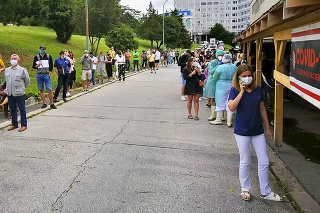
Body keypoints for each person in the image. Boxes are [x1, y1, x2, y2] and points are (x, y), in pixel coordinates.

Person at [228, 64, 284, 202]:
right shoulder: (234, 90)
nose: (247, 78)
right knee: (245, 161)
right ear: (239, 77)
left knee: (264, 161)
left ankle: (265, 191)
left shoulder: (258, 90)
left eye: (249, 75)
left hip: (257, 130)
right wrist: (241, 92)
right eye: (244, 76)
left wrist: (268, 128)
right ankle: (245, 189)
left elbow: (262, 109)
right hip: (242, 131)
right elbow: (231, 107)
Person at [5, 54, 30, 132]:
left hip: (19, 93)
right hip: (10, 93)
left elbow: (27, 81)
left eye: (15, 58)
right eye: (12, 58)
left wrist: (22, 88)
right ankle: (14, 124)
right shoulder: (7, 70)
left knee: (22, 109)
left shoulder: (22, 70)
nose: (13, 59)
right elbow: (7, 81)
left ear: (18, 60)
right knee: (12, 109)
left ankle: (24, 125)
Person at [210, 54, 237, 127]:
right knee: (230, 101)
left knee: (220, 101)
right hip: (231, 85)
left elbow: (215, 77)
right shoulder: (234, 66)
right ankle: (229, 121)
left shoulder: (220, 67)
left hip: (221, 86)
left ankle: (218, 119)